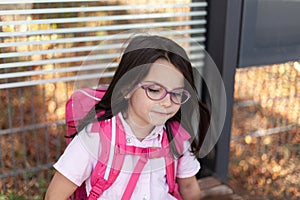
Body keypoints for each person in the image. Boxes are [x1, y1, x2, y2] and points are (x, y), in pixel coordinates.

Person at [45, 34, 210, 200]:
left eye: (177, 94)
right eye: (154, 90)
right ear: (126, 88)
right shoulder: (95, 138)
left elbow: (188, 186)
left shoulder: (175, 137)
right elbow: (55, 195)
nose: (167, 102)